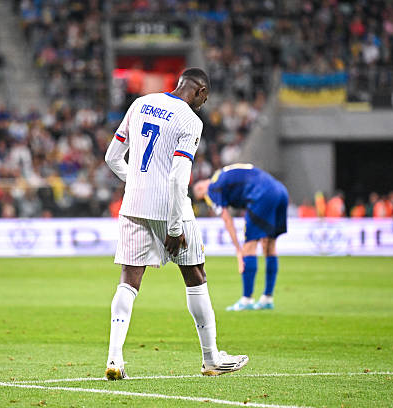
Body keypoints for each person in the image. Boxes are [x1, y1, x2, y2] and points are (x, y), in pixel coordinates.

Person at [103, 68, 248, 380]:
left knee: (128, 281)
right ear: (200, 91)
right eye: (205, 98)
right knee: (196, 276)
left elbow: (112, 158)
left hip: (133, 204)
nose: (204, 103)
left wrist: (138, 183)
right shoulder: (190, 120)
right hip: (170, 208)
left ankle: (114, 359)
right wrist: (174, 228)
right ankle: (211, 359)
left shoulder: (140, 103)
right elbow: (177, 179)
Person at [193, 163, 288, 312]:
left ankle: (247, 299)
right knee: (269, 245)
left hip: (261, 195)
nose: (207, 201)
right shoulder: (222, 174)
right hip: (280, 190)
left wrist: (238, 249)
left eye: (203, 198)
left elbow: (227, 219)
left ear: (200, 188)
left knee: (249, 246)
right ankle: (267, 298)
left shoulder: (212, 188)